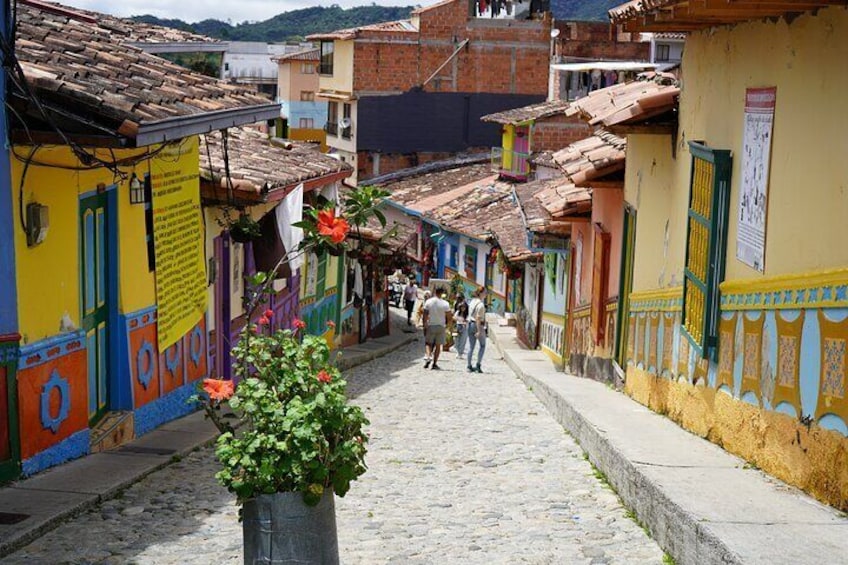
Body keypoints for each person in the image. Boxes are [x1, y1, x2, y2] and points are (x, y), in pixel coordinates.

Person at [422, 288, 452, 370]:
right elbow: (449, 316)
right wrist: (447, 326)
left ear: (435, 292)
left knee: (428, 343)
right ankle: (434, 363)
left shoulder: (429, 302)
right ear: (442, 293)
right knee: (438, 346)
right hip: (441, 326)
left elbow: (425, 314)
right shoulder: (445, 303)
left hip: (431, 325)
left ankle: (428, 356)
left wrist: (424, 324)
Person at [466, 287, 487, 373]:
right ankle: (478, 365)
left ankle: (469, 365)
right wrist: (479, 331)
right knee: (482, 345)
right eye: (485, 293)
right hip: (477, 325)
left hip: (470, 324)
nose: (486, 294)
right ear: (481, 293)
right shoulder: (481, 305)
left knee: (471, 347)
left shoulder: (472, 302)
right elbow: (478, 318)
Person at [453, 292, 469, 359]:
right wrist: (458, 320)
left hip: (464, 328)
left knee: (463, 340)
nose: (463, 308)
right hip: (457, 326)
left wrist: (465, 322)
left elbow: (468, 320)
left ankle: (460, 353)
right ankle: (457, 351)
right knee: (456, 340)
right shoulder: (457, 312)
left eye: (464, 307)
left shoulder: (467, 314)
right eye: (462, 307)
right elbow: (454, 317)